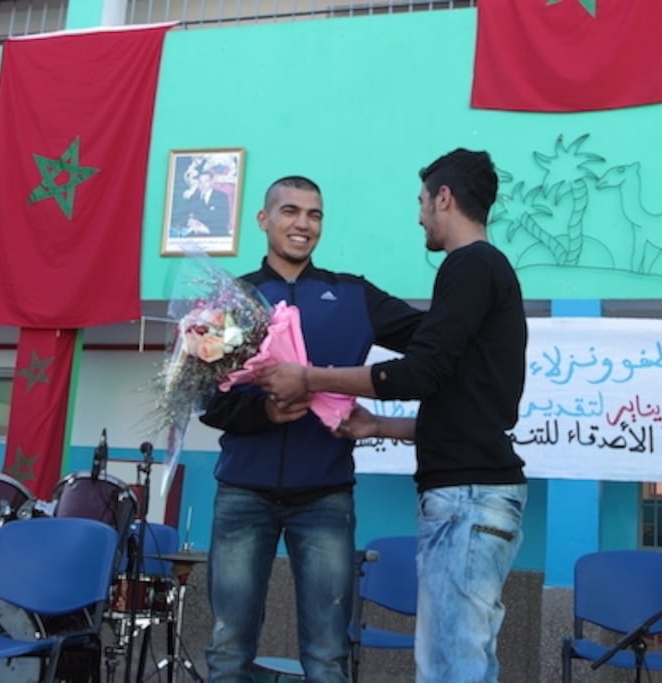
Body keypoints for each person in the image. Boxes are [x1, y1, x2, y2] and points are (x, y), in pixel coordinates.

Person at [255, 148, 528, 683]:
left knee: (451, 666)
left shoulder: (470, 265)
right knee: (457, 659)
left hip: (469, 502)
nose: (419, 215)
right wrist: (378, 426)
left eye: (423, 202)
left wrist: (310, 378)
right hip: (471, 492)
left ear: (443, 198)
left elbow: (417, 374)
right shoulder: (482, 272)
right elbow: (464, 412)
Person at [198, 175, 424, 682]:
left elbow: (432, 338)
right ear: (264, 219)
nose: (303, 224)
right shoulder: (233, 298)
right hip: (242, 495)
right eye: (290, 211)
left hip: (325, 497)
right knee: (228, 648)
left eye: (314, 214)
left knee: (327, 654)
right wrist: (263, 413)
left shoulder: (352, 295)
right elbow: (205, 401)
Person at [185, 170, 232, 235]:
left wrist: (206, 228)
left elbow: (223, 219)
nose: (203, 185)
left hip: (217, 233)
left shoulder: (221, 196)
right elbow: (188, 216)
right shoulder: (193, 198)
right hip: (197, 233)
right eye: (200, 182)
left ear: (211, 182)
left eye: (206, 181)